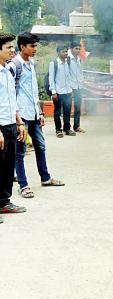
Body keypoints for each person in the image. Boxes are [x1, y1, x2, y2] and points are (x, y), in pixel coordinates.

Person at [9, 32, 65, 199]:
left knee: (40, 146)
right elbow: (9, 93)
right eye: (32, 46)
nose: (35, 49)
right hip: (21, 116)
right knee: (20, 152)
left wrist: (40, 112)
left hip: (33, 114)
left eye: (35, 46)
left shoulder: (31, 64)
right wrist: (17, 118)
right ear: (22, 47)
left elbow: (33, 91)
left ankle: (45, 178)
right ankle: (23, 185)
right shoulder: (14, 66)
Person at [0, 33, 27, 222]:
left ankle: (3, 202)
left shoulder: (8, 71)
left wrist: (19, 122)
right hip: (0, 127)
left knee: (8, 167)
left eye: (12, 46)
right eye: (8, 47)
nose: (12, 50)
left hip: (10, 125)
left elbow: (12, 100)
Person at [49, 45, 74, 137]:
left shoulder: (68, 63)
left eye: (67, 52)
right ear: (58, 53)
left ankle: (67, 129)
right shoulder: (54, 63)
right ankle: (58, 130)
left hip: (68, 91)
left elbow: (69, 77)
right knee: (57, 112)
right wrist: (53, 92)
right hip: (58, 92)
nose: (66, 53)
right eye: (64, 52)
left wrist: (71, 89)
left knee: (67, 111)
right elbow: (51, 79)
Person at [69, 41, 85, 133]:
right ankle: (67, 128)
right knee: (67, 107)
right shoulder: (67, 59)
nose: (78, 50)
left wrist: (82, 81)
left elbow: (80, 72)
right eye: (76, 48)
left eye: (79, 48)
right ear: (71, 49)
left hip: (79, 86)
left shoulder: (79, 59)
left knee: (78, 107)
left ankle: (77, 126)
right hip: (70, 87)